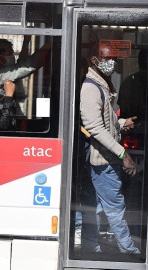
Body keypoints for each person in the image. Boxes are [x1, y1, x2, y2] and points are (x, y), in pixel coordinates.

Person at [80, 42, 139, 254]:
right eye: (105, 58)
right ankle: (128, 250)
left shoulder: (102, 84)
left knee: (96, 206)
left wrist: (122, 123)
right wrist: (123, 153)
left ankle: (90, 245)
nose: (110, 62)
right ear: (94, 60)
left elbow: (106, 120)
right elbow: (95, 127)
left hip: (105, 158)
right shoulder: (91, 88)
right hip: (104, 159)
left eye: (112, 58)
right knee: (115, 207)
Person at [0, 37, 51, 113]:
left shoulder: (1, 70)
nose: (12, 57)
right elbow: (26, 67)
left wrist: (26, 42)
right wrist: (49, 43)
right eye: (10, 54)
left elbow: (21, 64)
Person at [118, 49, 147, 120]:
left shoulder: (127, 82)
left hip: (131, 126)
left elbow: (123, 110)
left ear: (138, 62)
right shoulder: (128, 82)